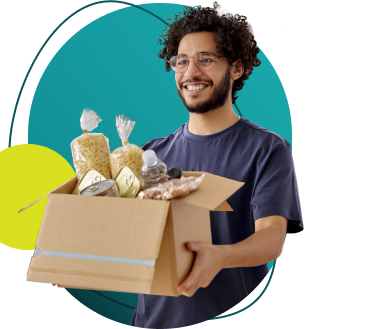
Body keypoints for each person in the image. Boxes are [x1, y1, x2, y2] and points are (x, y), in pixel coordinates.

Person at [129, 2, 303, 328]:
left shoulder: (266, 149)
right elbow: (125, 236)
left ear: (236, 68)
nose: (191, 73)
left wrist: (221, 256)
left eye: (205, 60)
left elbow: (272, 238)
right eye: (181, 62)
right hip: (151, 321)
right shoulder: (149, 155)